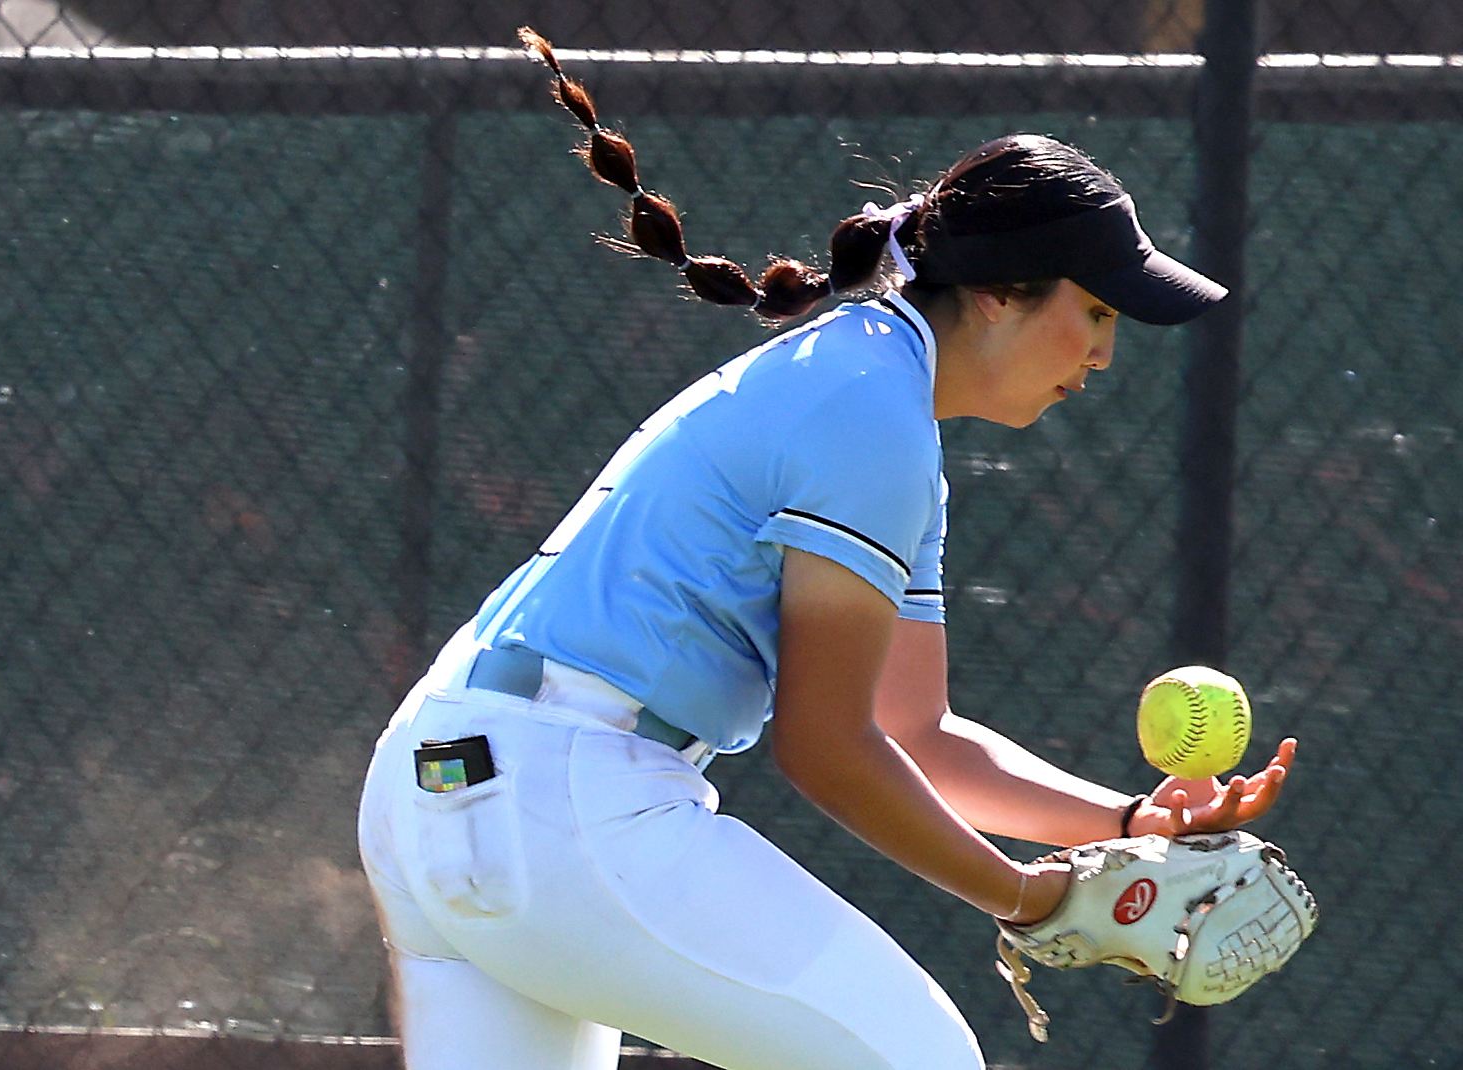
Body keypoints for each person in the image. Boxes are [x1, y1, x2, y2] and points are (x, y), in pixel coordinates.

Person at [356, 30, 1295, 1070]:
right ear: (998, 292)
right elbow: (826, 743)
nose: (1104, 349)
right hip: (565, 798)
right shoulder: (871, 413)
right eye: (1095, 308)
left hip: (440, 784)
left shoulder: (871, 391)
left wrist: (1124, 818)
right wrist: (1030, 897)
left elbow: (916, 731)